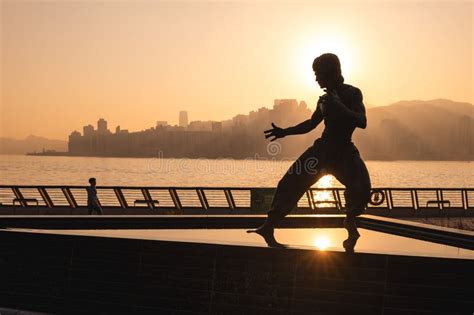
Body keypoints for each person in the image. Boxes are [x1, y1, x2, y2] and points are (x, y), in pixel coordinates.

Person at [248, 53, 371, 247]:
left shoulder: (352, 93)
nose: (316, 79)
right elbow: (310, 124)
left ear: (332, 72)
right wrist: (284, 132)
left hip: (344, 152)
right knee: (289, 183)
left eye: (318, 73)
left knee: (362, 188)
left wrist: (340, 107)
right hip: (322, 151)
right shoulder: (323, 100)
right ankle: (269, 225)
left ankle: (350, 223)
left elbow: (362, 121)